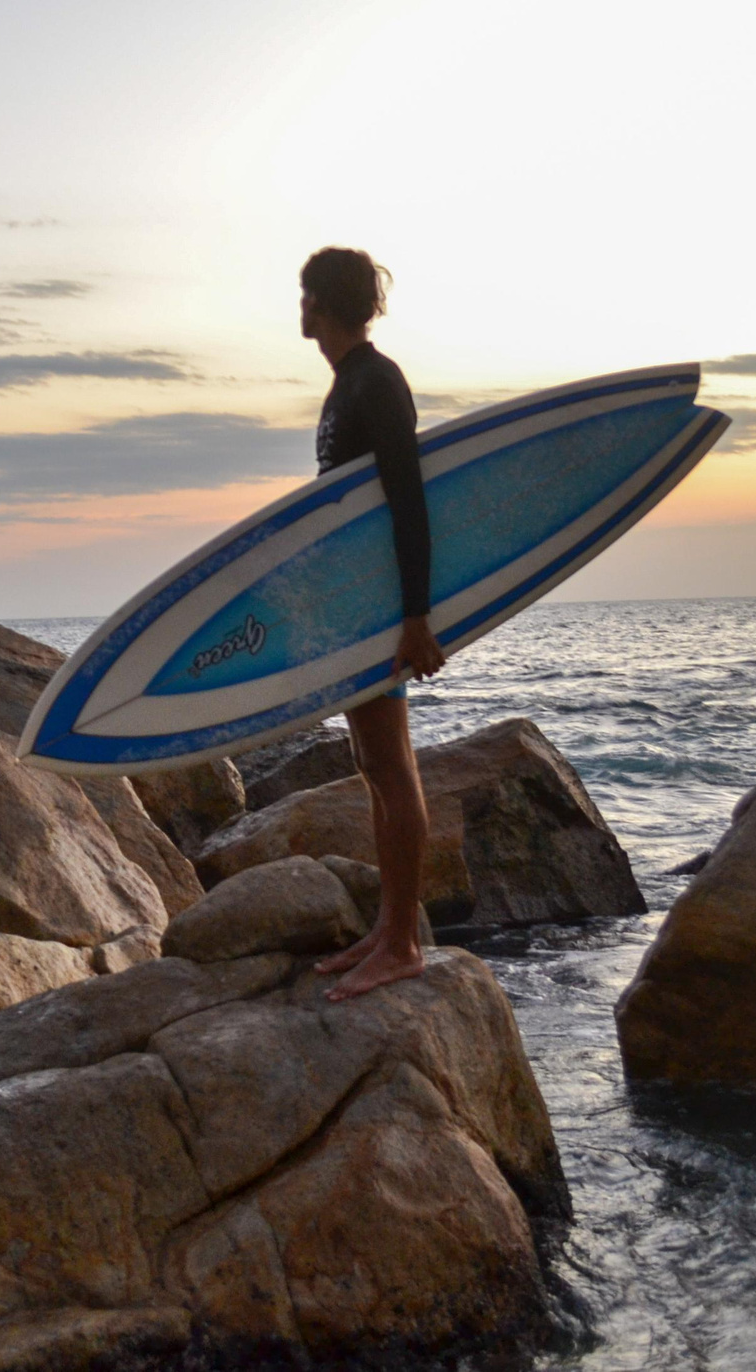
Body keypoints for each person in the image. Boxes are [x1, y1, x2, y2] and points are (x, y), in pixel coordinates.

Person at [297, 246, 443, 1000]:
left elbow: (408, 502)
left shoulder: (377, 383)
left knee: (392, 768)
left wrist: (414, 617)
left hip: (383, 612)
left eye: (304, 295)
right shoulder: (347, 385)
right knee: (375, 769)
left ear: (322, 301)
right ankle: (390, 932)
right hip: (357, 613)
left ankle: (406, 943)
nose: (300, 308)